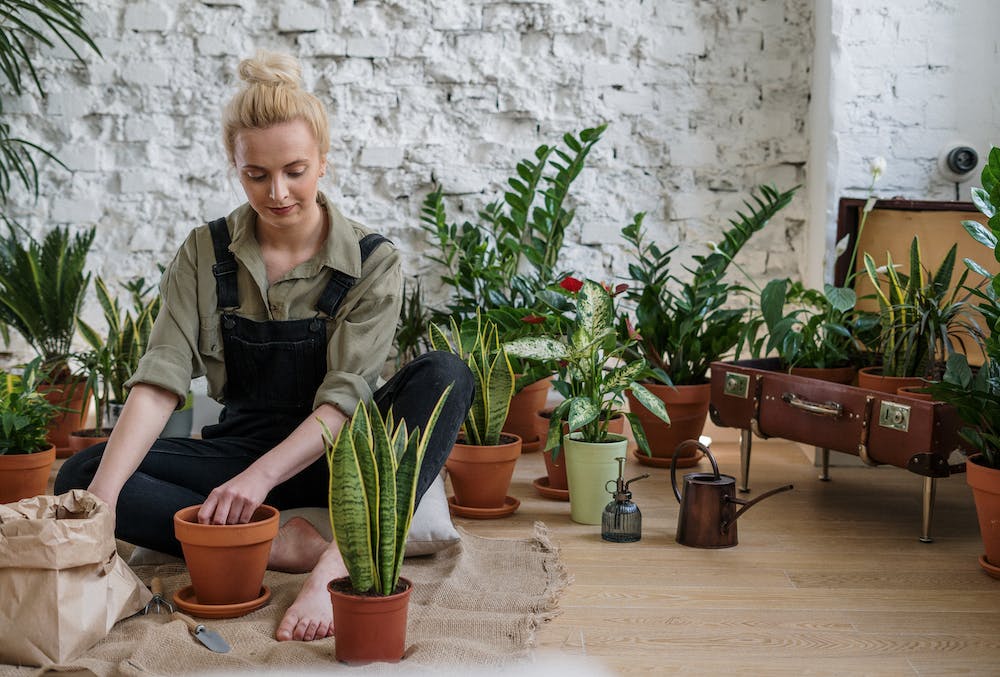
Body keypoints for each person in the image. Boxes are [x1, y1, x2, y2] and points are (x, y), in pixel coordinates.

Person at [55, 50, 473, 643]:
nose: (277, 193)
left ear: (324, 161)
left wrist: (257, 482)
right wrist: (99, 508)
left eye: (296, 170)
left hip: (342, 455)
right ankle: (279, 544)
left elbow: (344, 402)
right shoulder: (205, 252)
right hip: (240, 447)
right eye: (256, 175)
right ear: (235, 165)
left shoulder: (373, 262)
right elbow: (159, 381)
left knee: (446, 371)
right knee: (83, 473)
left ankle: (339, 561)